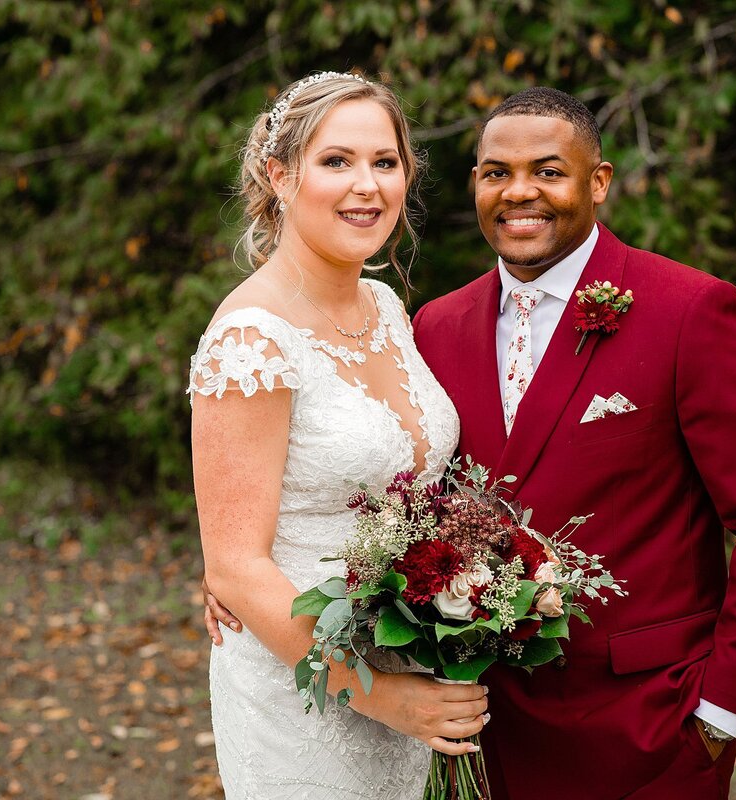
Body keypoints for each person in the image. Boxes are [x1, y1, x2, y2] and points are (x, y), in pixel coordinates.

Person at [206, 86, 736, 799]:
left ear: (598, 182)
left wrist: (722, 710)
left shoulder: (690, 311)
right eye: (496, 172)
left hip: (647, 727)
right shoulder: (435, 324)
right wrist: (242, 561)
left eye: (550, 171)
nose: (520, 192)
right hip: (474, 724)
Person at [187, 71, 487, 799]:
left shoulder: (384, 306)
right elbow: (235, 568)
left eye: (385, 163)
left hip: (408, 658)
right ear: (279, 174)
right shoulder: (252, 339)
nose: (367, 186)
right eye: (336, 161)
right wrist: (379, 695)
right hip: (306, 690)